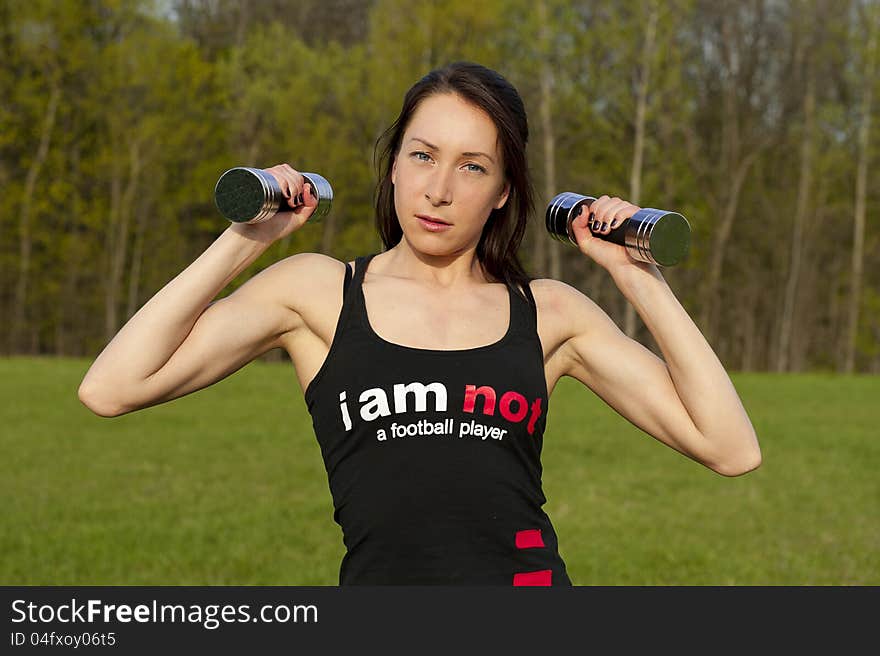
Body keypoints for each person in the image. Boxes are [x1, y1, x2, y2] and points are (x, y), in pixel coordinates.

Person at [78, 61, 761, 586]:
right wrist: (248, 239)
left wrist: (636, 275)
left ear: (501, 193)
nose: (439, 190)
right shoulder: (317, 294)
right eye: (423, 155)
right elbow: (111, 388)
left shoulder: (548, 313)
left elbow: (730, 449)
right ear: (395, 166)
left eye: (473, 167)